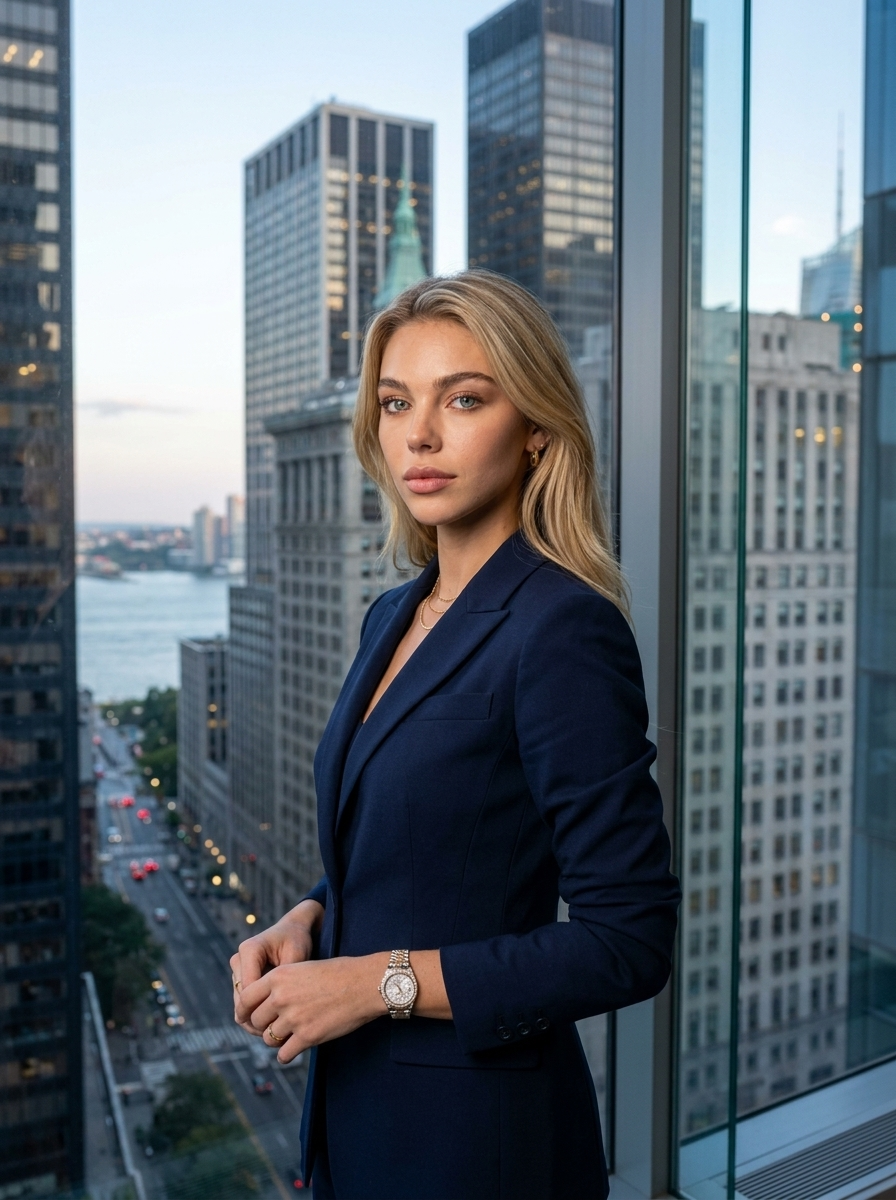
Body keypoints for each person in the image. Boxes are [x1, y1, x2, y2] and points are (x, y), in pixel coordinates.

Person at [231, 270, 680, 1200]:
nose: (419, 435)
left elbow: (628, 940)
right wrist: (314, 914)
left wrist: (372, 985)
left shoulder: (563, 626)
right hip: (354, 1120)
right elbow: (423, 834)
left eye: (463, 399)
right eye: (396, 403)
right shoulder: (393, 612)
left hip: (481, 1149)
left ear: (539, 429)